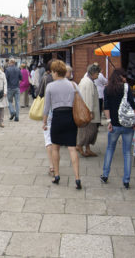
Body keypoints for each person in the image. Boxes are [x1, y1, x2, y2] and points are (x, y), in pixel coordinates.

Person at [42, 60, 82, 189]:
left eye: (52, 72)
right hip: (70, 117)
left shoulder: (50, 87)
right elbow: (81, 100)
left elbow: (46, 107)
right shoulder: (73, 85)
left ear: (55, 72)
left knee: (55, 148)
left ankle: (57, 175)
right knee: (72, 148)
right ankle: (77, 178)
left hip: (57, 118)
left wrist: (44, 122)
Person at [100, 69, 135, 189]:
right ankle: (126, 180)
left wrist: (109, 121)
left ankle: (105, 175)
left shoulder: (107, 89)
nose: (125, 78)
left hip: (114, 125)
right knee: (127, 153)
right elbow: (133, 105)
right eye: (124, 76)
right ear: (120, 77)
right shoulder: (126, 88)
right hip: (127, 125)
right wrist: (134, 121)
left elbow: (106, 106)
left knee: (110, 149)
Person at [76, 64, 101, 157]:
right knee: (89, 131)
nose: (98, 76)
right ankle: (79, 145)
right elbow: (88, 98)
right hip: (88, 111)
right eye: (97, 74)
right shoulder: (88, 82)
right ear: (93, 73)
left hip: (84, 110)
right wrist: (90, 112)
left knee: (87, 130)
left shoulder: (85, 80)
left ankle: (87, 148)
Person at [37, 60, 54, 175]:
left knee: (48, 139)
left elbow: (39, 93)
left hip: (49, 112)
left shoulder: (46, 78)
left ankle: (52, 166)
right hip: (62, 113)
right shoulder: (66, 80)